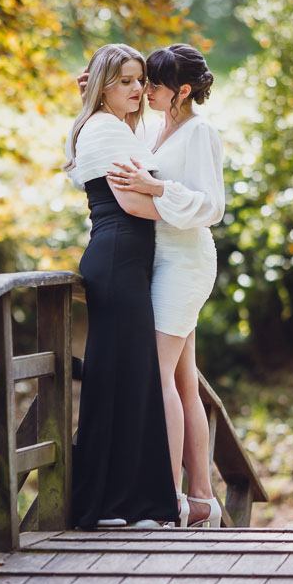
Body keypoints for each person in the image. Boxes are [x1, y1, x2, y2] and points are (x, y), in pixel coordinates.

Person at [105, 44, 225, 528]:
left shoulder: (200, 132)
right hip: (160, 261)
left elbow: (212, 206)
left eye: (154, 84)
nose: (146, 90)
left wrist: (157, 188)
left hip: (186, 261)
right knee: (181, 381)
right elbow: (119, 134)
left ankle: (166, 496)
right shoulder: (156, 129)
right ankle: (202, 501)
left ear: (183, 90)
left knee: (157, 377)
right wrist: (97, 94)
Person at [63, 43, 180, 529]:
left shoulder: (114, 125)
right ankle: (113, 504)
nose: (137, 89)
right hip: (116, 258)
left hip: (126, 260)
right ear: (103, 85)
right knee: (119, 377)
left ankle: (126, 502)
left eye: (140, 81)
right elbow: (131, 205)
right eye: (126, 81)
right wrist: (188, 212)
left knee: (129, 375)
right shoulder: (105, 128)